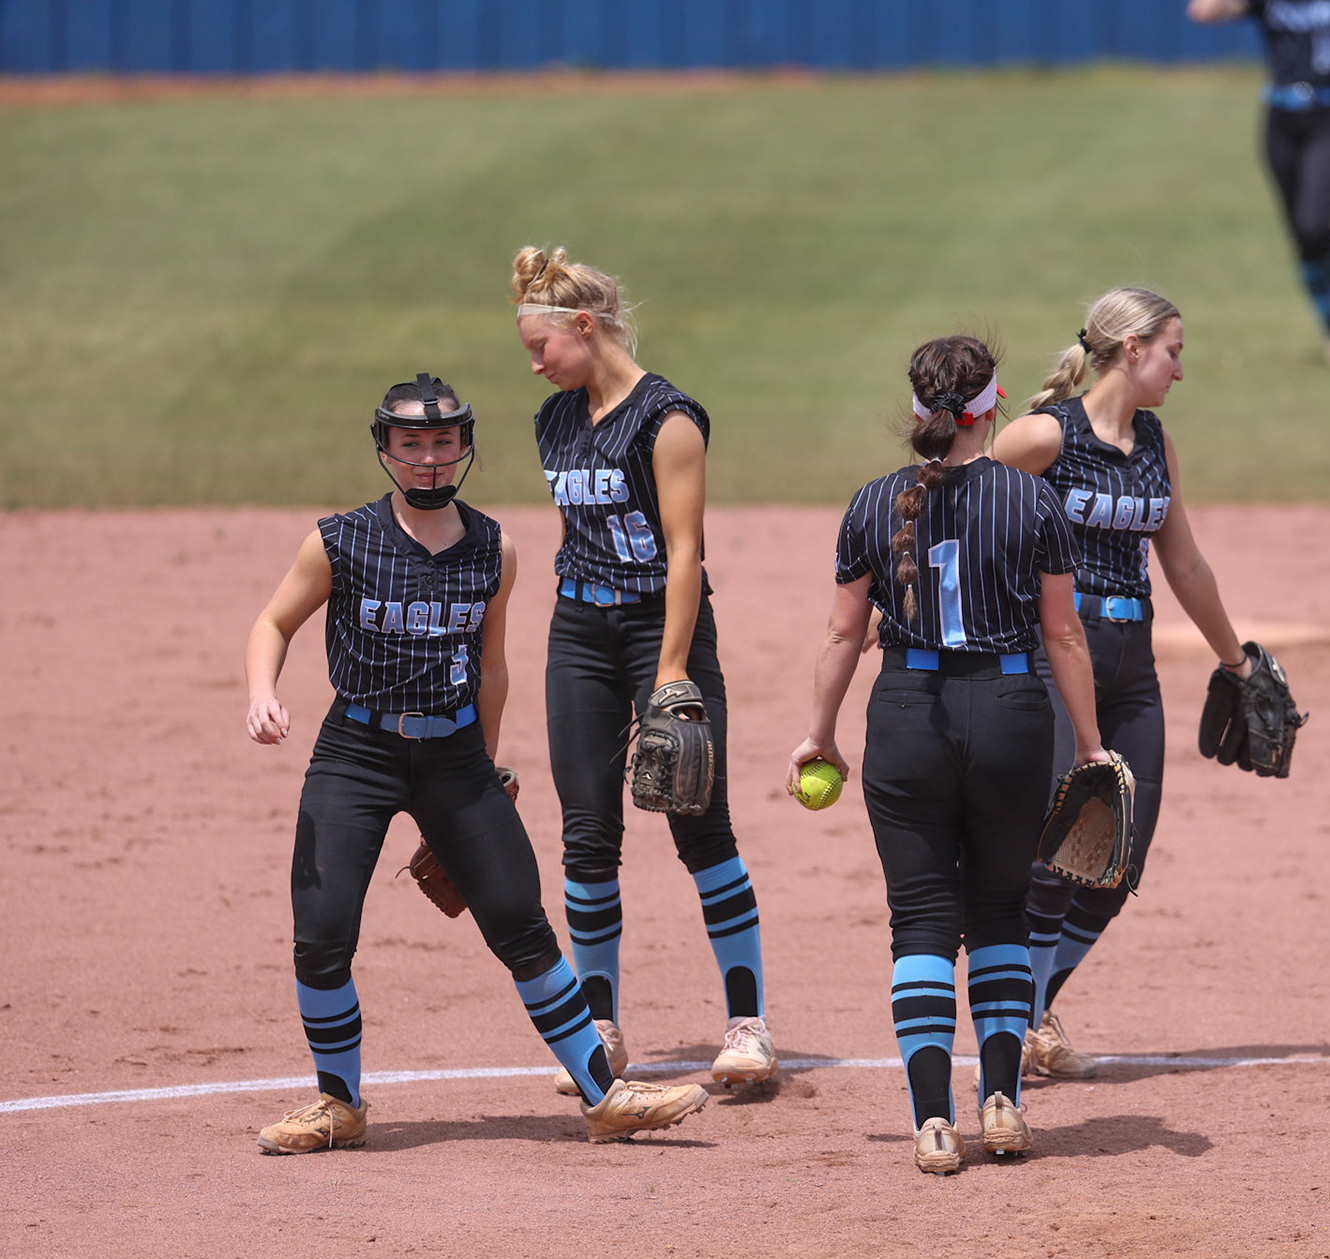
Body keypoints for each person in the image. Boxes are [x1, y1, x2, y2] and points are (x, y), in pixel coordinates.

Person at [244, 375, 709, 1153]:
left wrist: (484, 772)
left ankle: (602, 1097)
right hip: (355, 751)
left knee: (521, 923)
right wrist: (262, 692)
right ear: (385, 450)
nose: (429, 459)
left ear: (465, 446)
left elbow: (492, 668)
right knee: (322, 933)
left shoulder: (494, 547)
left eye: (443, 443)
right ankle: (339, 1103)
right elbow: (274, 620)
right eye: (411, 445)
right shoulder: (339, 540)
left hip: (456, 758)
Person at [788, 335, 1108, 1174]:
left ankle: (933, 1122)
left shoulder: (872, 503)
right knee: (1001, 910)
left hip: (905, 717)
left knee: (922, 921)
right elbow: (1063, 633)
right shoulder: (1032, 501)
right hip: (1010, 715)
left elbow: (842, 635)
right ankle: (1001, 1103)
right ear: (992, 407)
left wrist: (818, 735)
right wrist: (1090, 745)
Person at [989, 287, 1287, 1079]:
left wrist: (1238, 660)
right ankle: (1014, 1031)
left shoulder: (1154, 442)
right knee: (1058, 855)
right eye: (1173, 352)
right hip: (1059, 658)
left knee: (1117, 863)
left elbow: (1181, 560)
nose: (1179, 371)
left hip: (1133, 665)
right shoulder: (1044, 437)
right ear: (1130, 349)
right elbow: (966, 510)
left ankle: (1028, 1009)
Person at [510, 246, 776, 1092]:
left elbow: (686, 552)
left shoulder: (670, 420)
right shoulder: (554, 420)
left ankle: (747, 1025)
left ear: (583, 328)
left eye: (540, 345)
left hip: (664, 630)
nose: (534, 362)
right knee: (587, 835)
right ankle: (601, 1027)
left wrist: (670, 674)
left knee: (700, 822)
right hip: (578, 630)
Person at [1188, 0, 1330, 366]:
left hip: (1328, 118)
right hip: (1280, 121)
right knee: (1299, 233)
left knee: (1315, 224)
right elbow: (1202, 11)